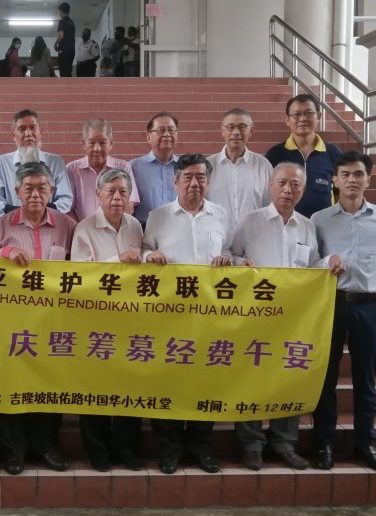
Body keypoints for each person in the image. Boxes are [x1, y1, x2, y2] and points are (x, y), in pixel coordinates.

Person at [230, 162, 344, 471]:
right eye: (282, 183)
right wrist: (240, 263)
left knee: (289, 374)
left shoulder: (306, 226)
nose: (287, 190)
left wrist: (329, 262)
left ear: (303, 191)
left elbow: (313, 266)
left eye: (295, 185)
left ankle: (284, 442)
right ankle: (251, 444)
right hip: (255, 315)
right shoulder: (250, 221)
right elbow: (230, 254)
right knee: (251, 377)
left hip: (293, 319)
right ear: (270, 185)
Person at [142, 154, 231, 475]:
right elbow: (143, 250)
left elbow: (230, 250)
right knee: (167, 382)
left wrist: (228, 259)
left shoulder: (220, 215)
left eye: (201, 178)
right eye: (188, 178)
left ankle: (200, 446)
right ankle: (169, 449)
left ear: (209, 181)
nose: (195, 183)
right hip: (168, 315)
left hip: (209, 315)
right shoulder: (158, 216)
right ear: (175, 181)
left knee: (205, 381)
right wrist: (149, 255)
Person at [0, 161, 76, 475]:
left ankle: (46, 446)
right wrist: (4, 254)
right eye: (29, 188)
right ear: (17, 191)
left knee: (48, 384)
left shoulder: (67, 225)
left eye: (42, 188)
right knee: (11, 384)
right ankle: (13, 451)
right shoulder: (0, 226)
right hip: (12, 321)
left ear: (52, 191)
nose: (35, 194)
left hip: (54, 321)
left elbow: (81, 269)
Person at [311, 151, 376, 473]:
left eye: (358, 174)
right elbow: (310, 263)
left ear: (368, 180)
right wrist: (326, 262)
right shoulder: (319, 219)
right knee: (326, 377)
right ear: (334, 180)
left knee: (366, 379)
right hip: (331, 304)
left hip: (370, 305)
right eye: (345, 174)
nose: (352, 180)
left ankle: (366, 443)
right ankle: (323, 443)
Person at [70, 168, 144, 472]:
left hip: (131, 320)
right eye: (111, 191)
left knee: (129, 386)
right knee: (95, 388)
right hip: (95, 321)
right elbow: (80, 276)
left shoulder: (135, 226)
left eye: (123, 192)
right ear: (98, 194)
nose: (117, 198)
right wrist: (118, 261)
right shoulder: (85, 228)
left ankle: (126, 449)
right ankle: (97, 450)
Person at [264, 93, 343, 218]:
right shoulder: (275, 154)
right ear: (287, 120)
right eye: (296, 114)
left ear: (318, 116)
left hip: (324, 224)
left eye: (309, 113)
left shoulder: (333, 153)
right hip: (285, 223)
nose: (303, 119)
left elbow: (340, 192)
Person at [0, 109, 73, 216]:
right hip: (11, 224)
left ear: (40, 132)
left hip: (49, 223)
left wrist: (40, 217)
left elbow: (65, 200)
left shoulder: (56, 163)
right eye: (22, 129)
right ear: (13, 135)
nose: (28, 133)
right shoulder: (1, 164)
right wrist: (22, 218)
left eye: (33, 127)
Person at [206, 107, 273, 235]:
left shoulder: (263, 165)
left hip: (253, 238)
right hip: (218, 238)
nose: (236, 132)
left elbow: (270, 206)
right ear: (222, 131)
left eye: (242, 127)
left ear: (251, 131)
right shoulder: (208, 166)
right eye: (230, 127)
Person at [67, 118, 139, 222]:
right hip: (82, 230)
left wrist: (115, 228)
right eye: (92, 143)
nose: (97, 148)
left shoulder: (123, 167)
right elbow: (68, 209)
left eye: (102, 143)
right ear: (83, 144)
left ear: (111, 144)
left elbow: (129, 204)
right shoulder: (72, 170)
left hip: (116, 229)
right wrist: (82, 228)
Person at [130, 111, 181, 225]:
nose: (167, 134)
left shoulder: (184, 167)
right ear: (148, 137)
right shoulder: (134, 168)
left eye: (171, 130)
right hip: (146, 230)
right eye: (161, 130)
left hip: (178, 229)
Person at [54, 2, 76, 77]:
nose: (59, 13)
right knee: (68, 72)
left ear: (61, 11)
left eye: (59, 11)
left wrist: (55, 44)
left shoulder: (62, 22)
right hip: (71, 51)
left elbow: (61, 36)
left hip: (63, 52)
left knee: (63, 74)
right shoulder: (72, 23)